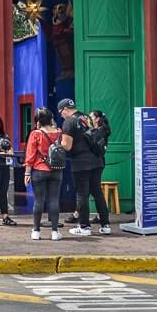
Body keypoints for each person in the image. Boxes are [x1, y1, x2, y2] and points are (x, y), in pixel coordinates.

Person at [58, 98, 111, 236]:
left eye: (61, 112)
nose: (61, 115)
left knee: (82, 194)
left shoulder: (68, 122)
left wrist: (58, 143)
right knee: (97, 192)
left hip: (81, 163)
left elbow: (67, 146)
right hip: (96, 160)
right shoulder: (86, 117)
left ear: (64, 109)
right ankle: (105, 225)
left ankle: (84, 227)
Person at [25, 107, 65, 240]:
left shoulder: (35, 134)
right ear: (51, 119)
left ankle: (36, 231)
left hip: (39, 169)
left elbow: (30, 155)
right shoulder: (59, 132)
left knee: (38, 201)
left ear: (38, 121)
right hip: (56, 170)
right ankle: (54, 232)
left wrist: (27, 173)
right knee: (54, 200)